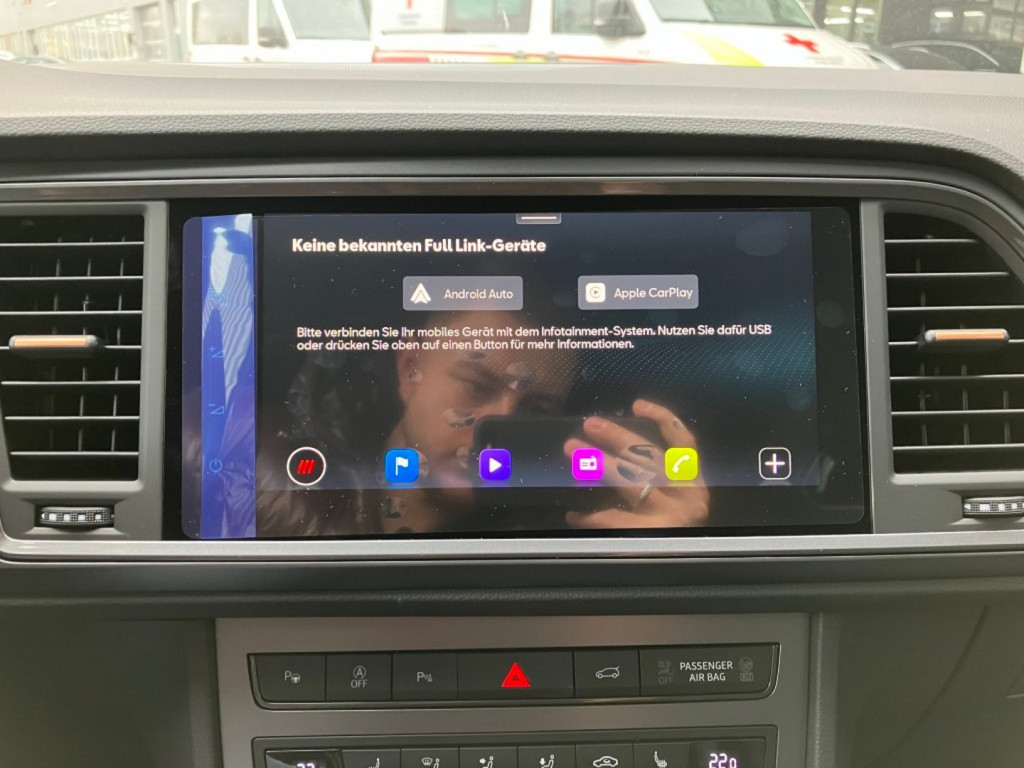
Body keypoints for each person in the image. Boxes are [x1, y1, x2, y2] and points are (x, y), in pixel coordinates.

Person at [257, 309, 708, 536]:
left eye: (537, 410)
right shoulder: (269, 487)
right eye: (476, 386)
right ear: (410, 369)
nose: (501, 421)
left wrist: (665, 557)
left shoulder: (566, 529)